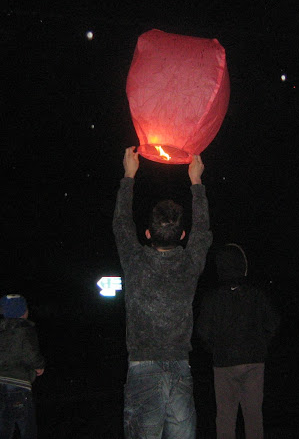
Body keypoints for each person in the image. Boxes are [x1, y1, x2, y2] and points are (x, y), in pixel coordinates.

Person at [113, 146, 212, 439]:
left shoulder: (134, 260)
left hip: (143, 370)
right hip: (180, 369)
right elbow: (203, 231)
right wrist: (196, 182)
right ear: (182, 236)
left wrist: (129, 175)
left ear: (147, 234)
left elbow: (120, 224)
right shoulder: (190, 262)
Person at [196, 243, 280, 439]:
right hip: (253, 362)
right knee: (253, 417)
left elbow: (202, 331)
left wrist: (215, 348)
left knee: (225, 417)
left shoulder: (212, 298)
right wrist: (261, 343)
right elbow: (274, 323)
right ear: (243, 265)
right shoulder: (256, 295)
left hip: (224, 364)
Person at [0, 294, 45, 439]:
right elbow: (31, 353)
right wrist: (39, 366)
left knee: (5, 425)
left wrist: (0, 363)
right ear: (22, 312)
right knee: (27, 427)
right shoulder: (25, 330)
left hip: (1, 384)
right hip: (20, 385)